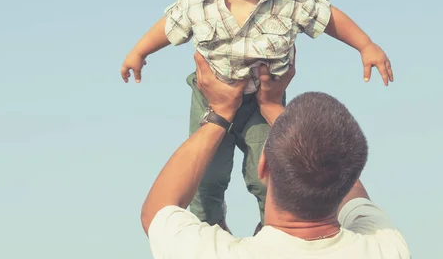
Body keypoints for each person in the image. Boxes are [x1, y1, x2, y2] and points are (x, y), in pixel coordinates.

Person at [122, 0, 394, 233]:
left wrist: (365, 45)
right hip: (211, 98)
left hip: (264, 102)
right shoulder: (196, 2)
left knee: (269, 173)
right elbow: (167, 27)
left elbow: (330, 18)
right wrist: (139, 52)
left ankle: (273, 232)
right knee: (206, 173)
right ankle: (211, 223)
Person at [140, 52, 410, 259]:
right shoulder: (385, 248)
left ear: (264, 165)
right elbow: (347, 179)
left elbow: (157, 211)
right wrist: (272, 109)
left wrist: (219, 114)